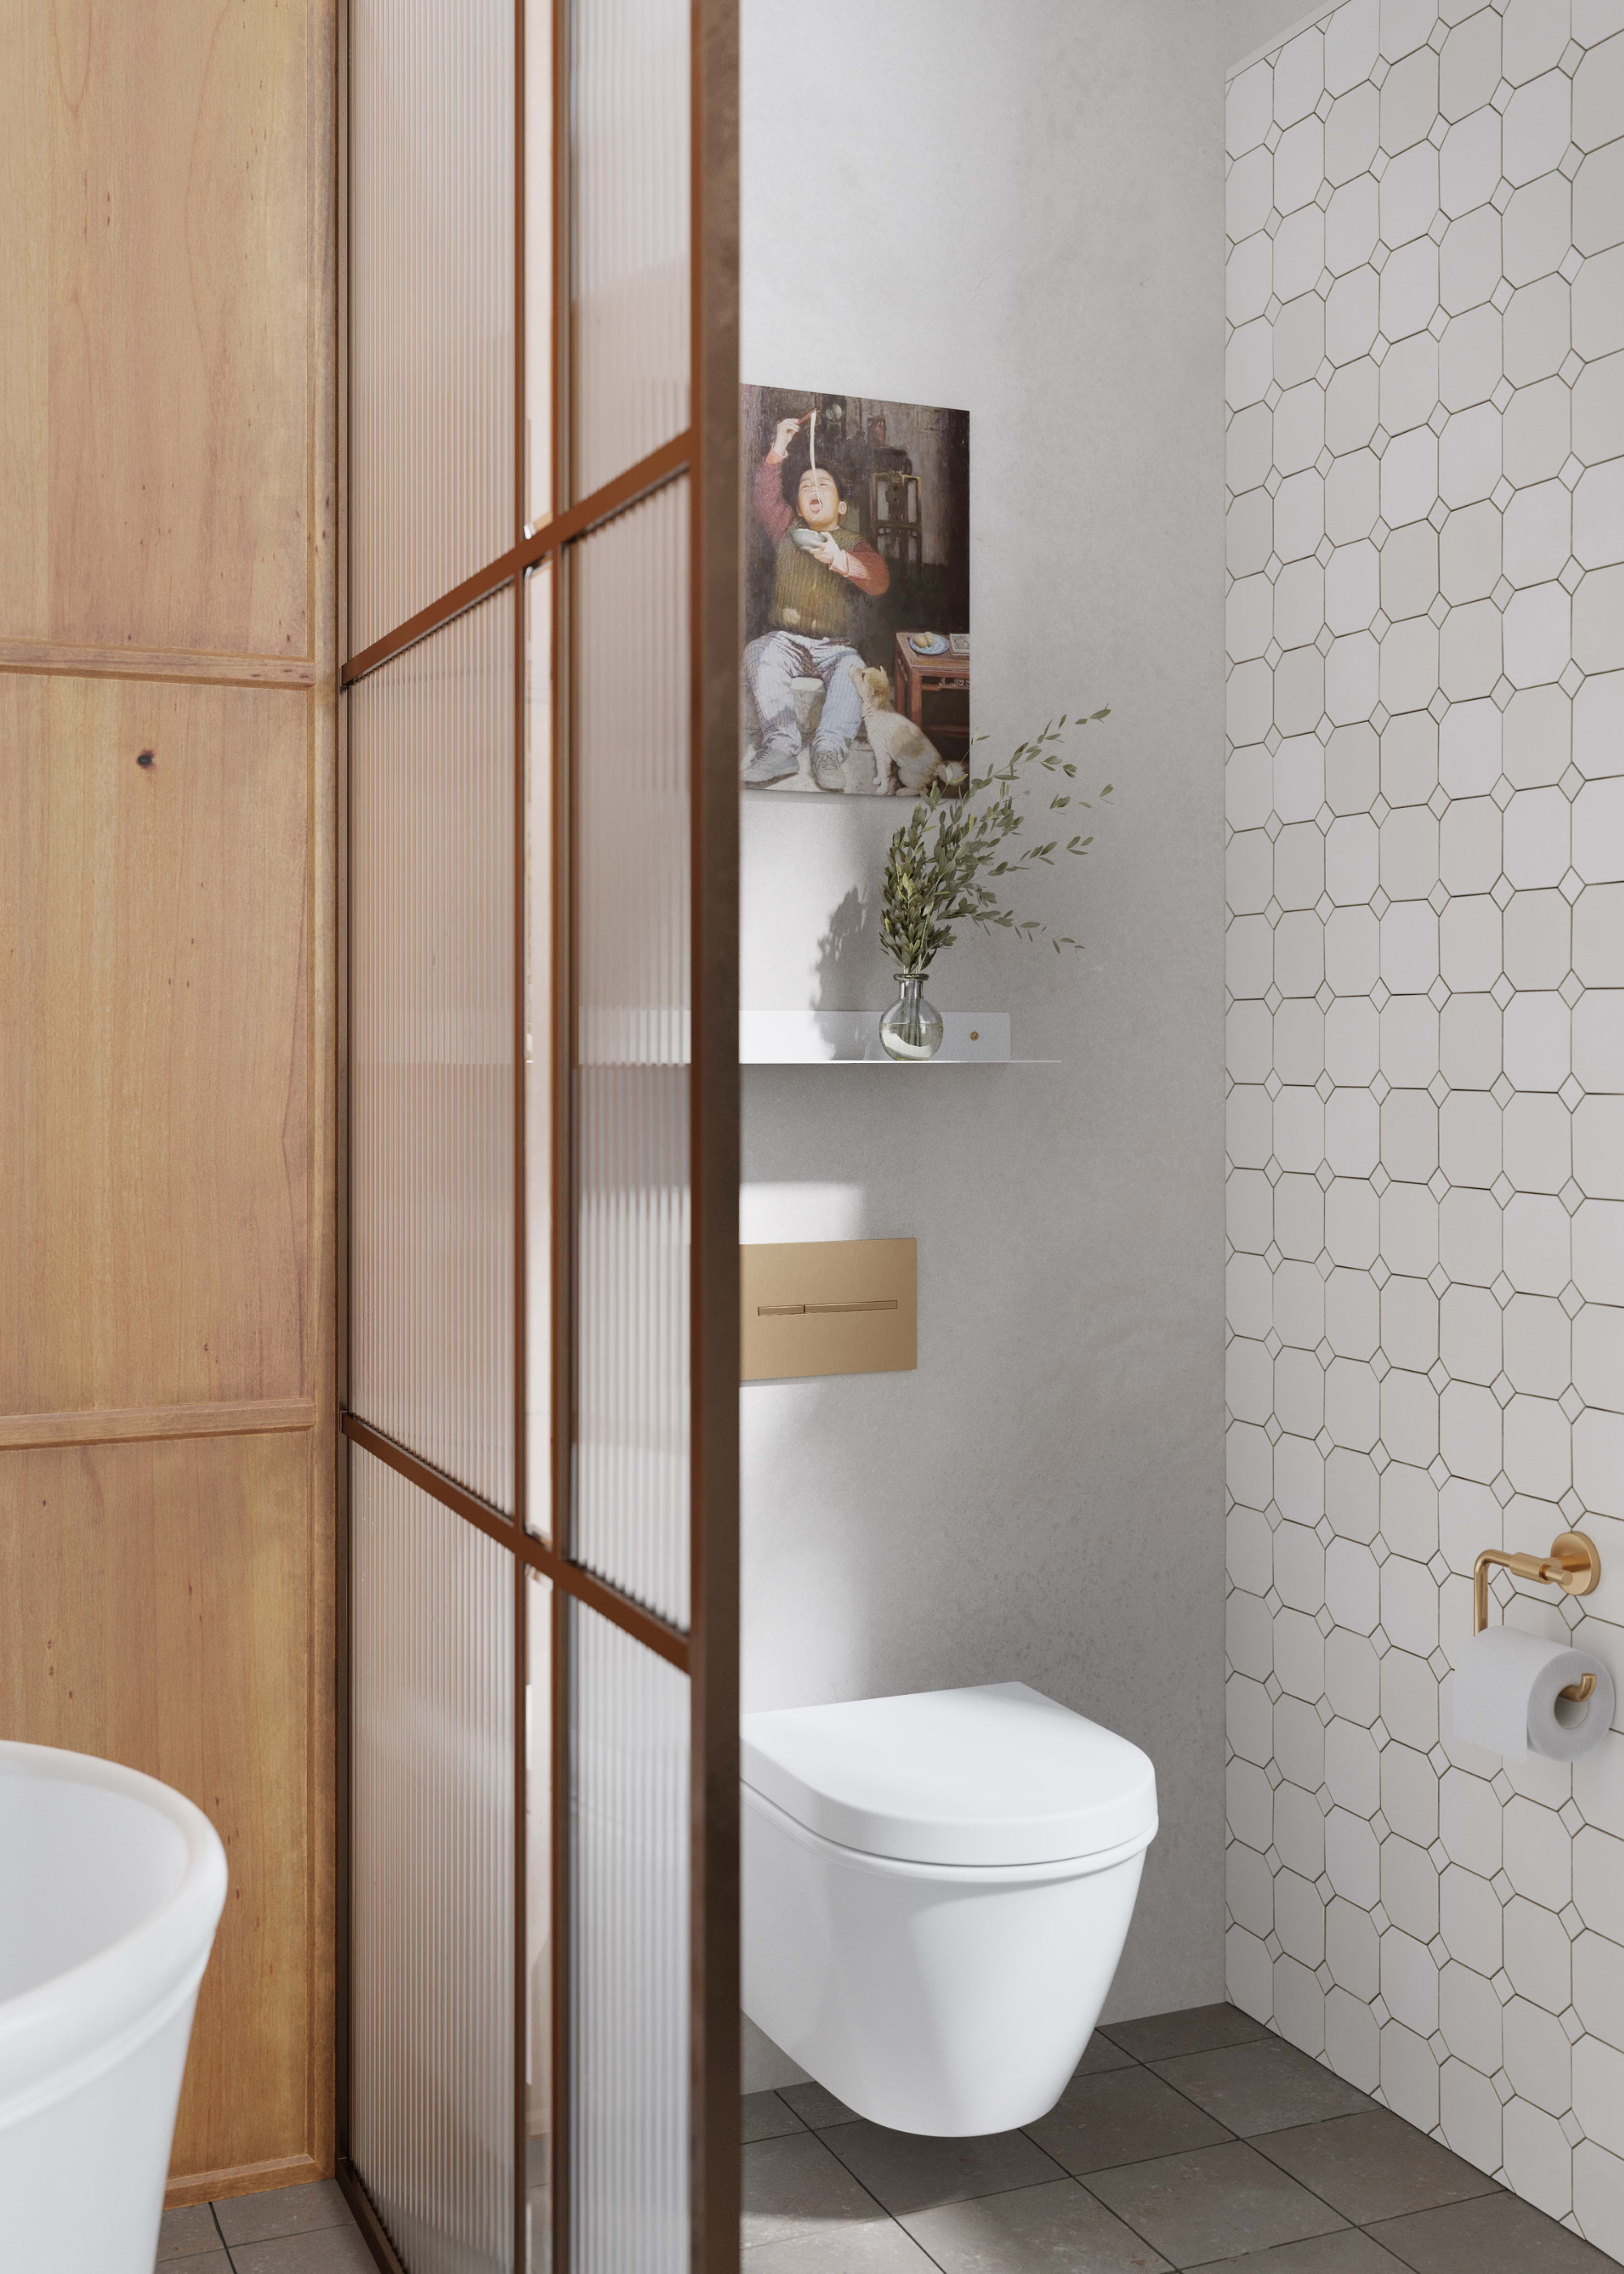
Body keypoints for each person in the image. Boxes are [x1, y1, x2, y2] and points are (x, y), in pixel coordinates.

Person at [742, 415, 891, 791]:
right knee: (759, 651)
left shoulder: (851, 540)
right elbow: (763, 494)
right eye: (807, 485)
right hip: (786, 640)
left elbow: (878, 580)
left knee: (851, 672)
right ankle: (780, 745)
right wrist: (778, 446)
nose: (815, 488)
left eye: (824, 485)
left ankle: (828, 749)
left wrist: (837, 559)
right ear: (797, 504)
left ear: (841, 507)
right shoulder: (787, 529)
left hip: (836, 648)